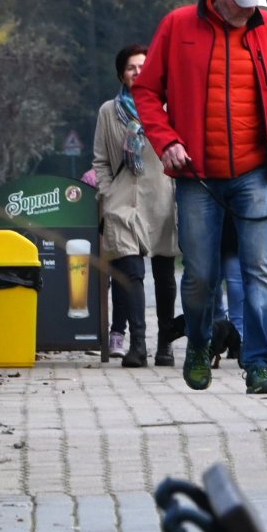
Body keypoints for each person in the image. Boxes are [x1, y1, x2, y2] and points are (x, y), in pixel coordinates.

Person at [134, 0, 267, 396]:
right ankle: (198, 342)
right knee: (200, 276)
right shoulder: (177, 27)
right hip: (197, 177)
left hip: (255, 174)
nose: (249, 9)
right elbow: (147, 92)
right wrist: (166, 140)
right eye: (241, 0)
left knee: (260, 273)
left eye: (255, 1)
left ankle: (259, 365)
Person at [92, 44, 180, 369]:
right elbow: (100, 160)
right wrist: (106, 191)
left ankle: (166, 345)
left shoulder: (170, 108)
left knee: (164, 274)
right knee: (131, 273)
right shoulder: (107, 112)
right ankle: (138, 345)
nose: (138, 72)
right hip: (123, 201)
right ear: (121, 74)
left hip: (162, 198)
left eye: (144, 66)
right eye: (131, 67)